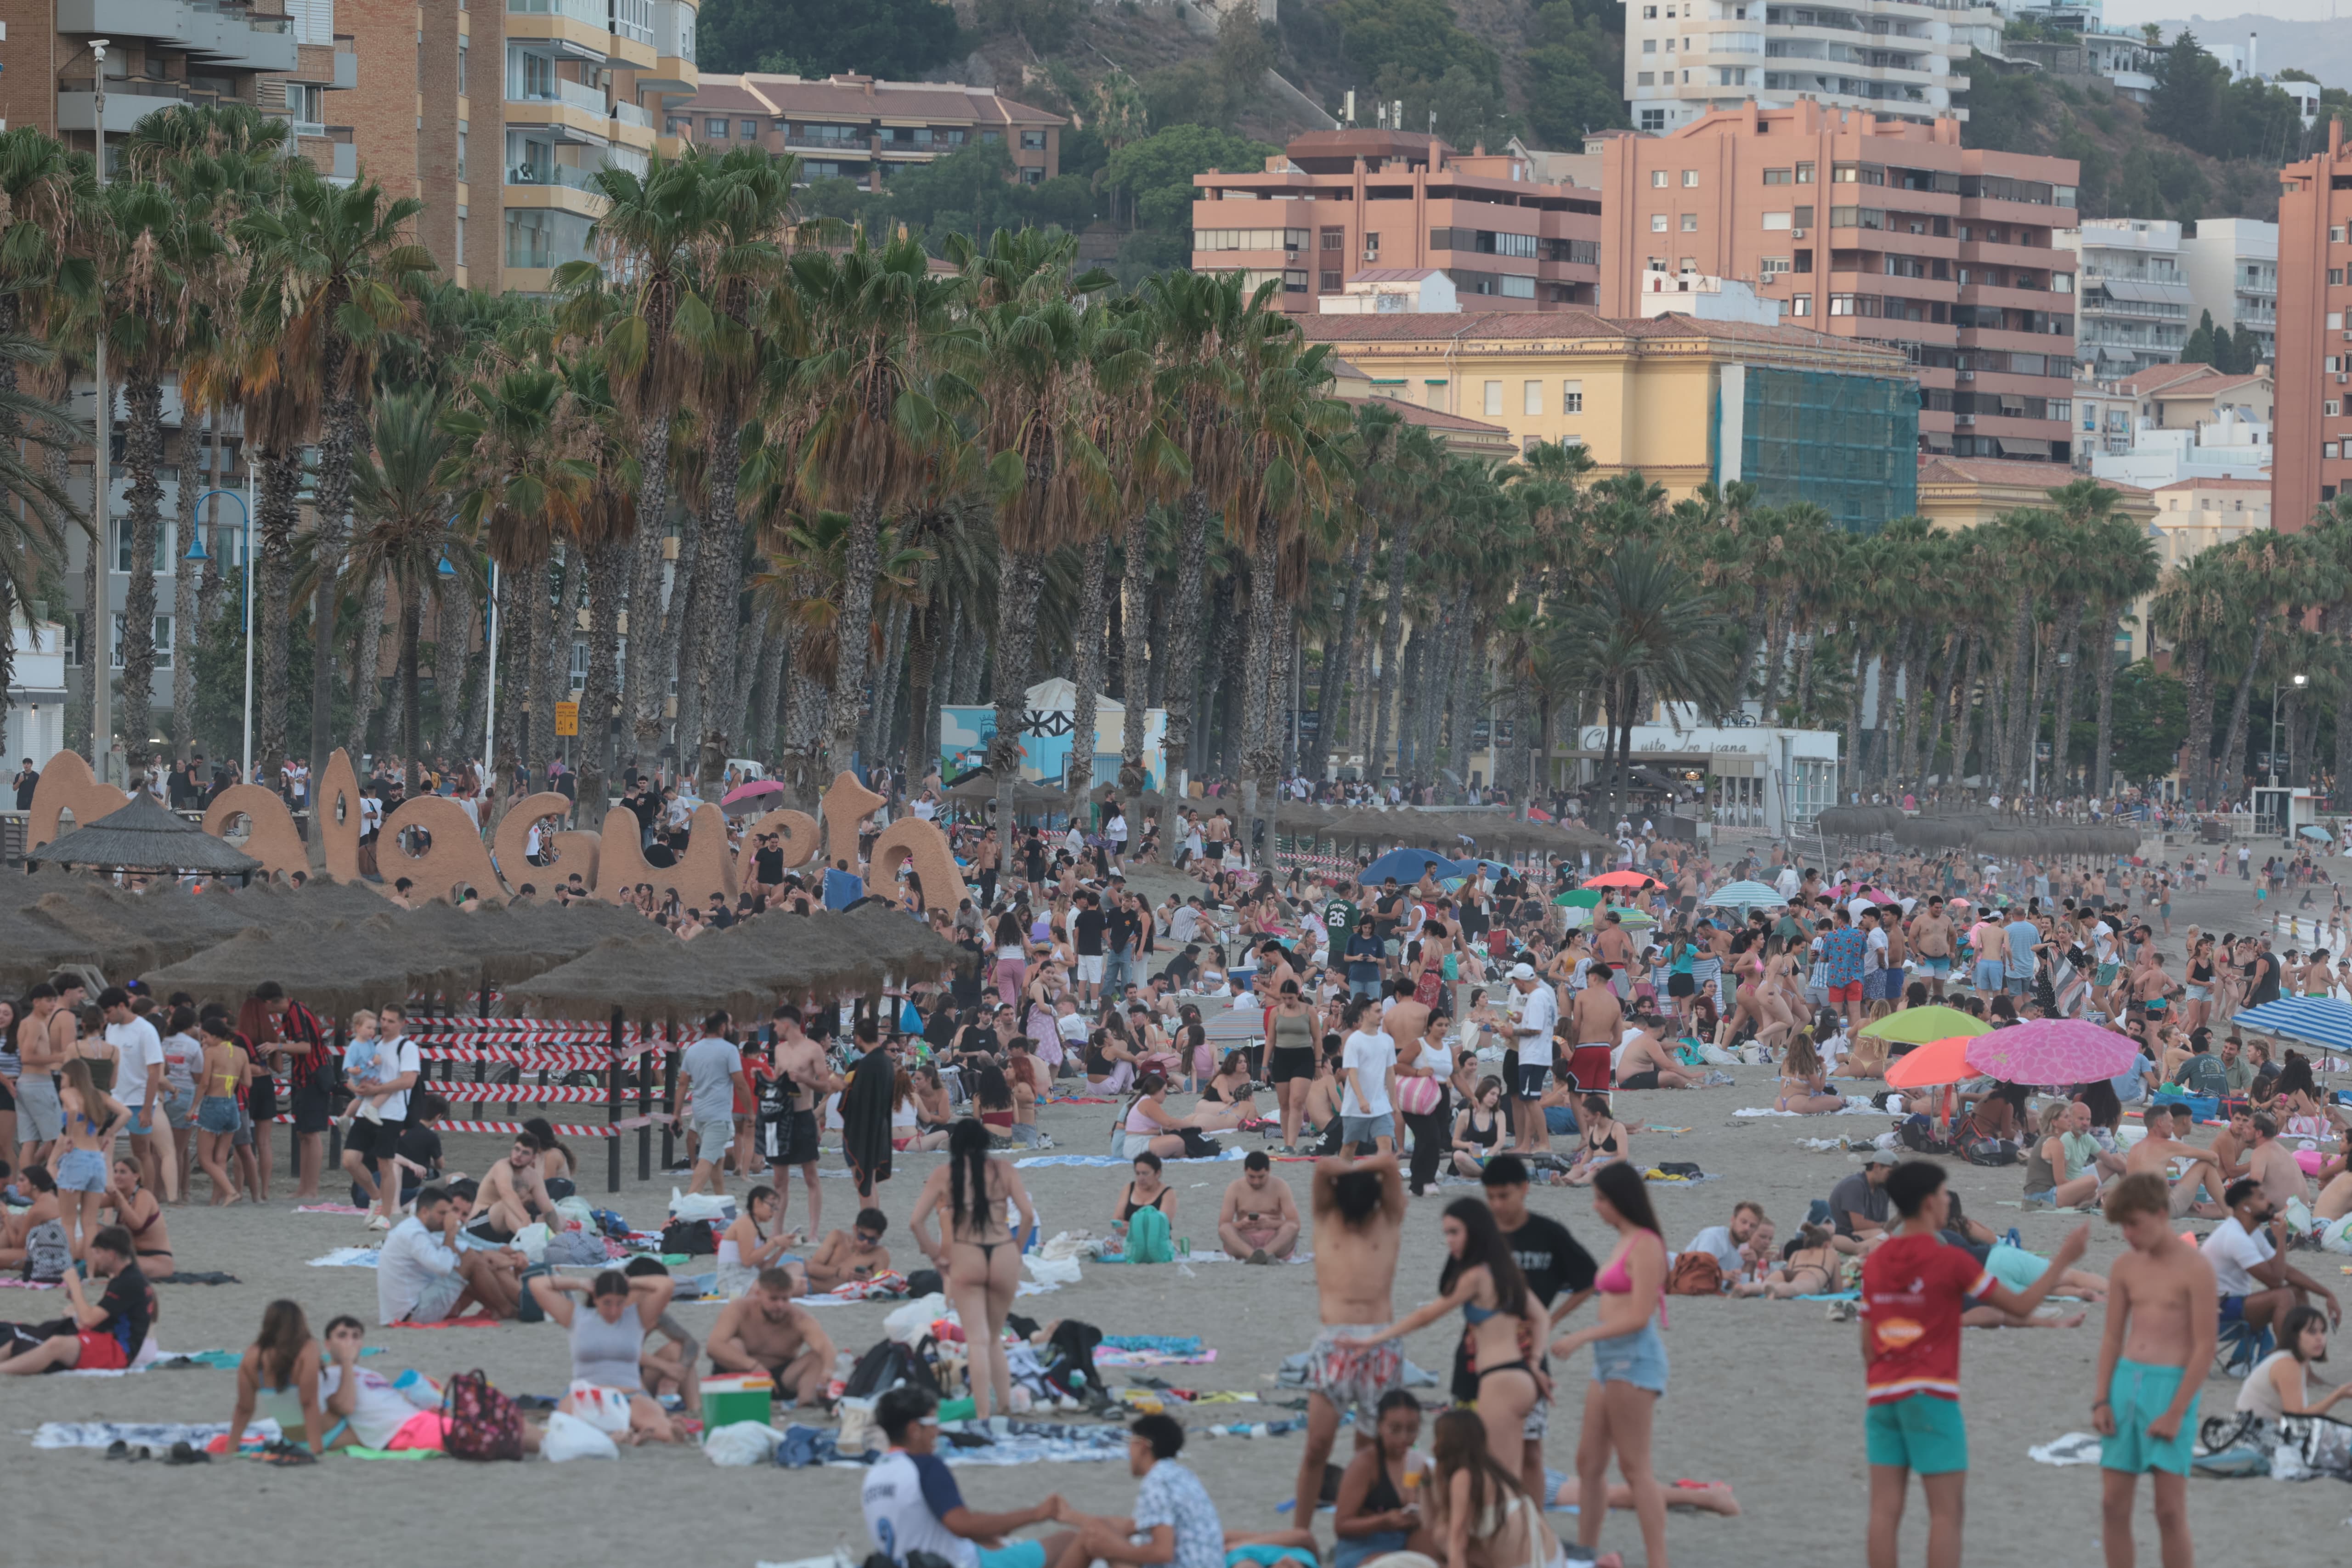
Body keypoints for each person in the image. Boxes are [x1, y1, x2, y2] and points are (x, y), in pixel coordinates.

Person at [1860, 1160, 2089, 1568]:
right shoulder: (1951, 1260)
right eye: (1945, 1193)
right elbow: (2020, 1304)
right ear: (1931, 1203)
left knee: (1884, 1511)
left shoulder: (1877, 1261)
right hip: (1931, 1392)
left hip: (1882, 1394)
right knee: (1946, 1513)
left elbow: (1868, 1341)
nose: (1949, 1200)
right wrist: (2063, 1260)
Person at [1338, 1198, 1552, 1473]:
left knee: (1496, 1478)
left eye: (1454, 1232)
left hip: (1499, 1381)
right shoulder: (1506, 1270)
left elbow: (1427, 1316)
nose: (1449, 1241)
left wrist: (1372, 1340)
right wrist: (1534, 1362)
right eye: (1446, 1233)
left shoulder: (1475, 1276)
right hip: (1521, 1378)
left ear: (1474, 1231)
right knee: (1509, 1476)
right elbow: (1541, 1318)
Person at [1541, 1161, 1670, 1568]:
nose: (1595, 1207)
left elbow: (1639, 1315)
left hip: (1633, 1359)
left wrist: (1581, 1336)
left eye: (1600, 1199)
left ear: (1619, 1200)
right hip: (1607, 1361)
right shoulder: (1624, 1238)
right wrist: (1556, 1320)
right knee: (1589, 1462)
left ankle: (1658, 1560)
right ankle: (1587, 1551)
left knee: (1635, 1466)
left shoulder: (1646, 1243)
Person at [2092, 1172, 2216, 1568]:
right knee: (2113, 1504)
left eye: (2134, 1223)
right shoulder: (2126, 1266)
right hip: (2126, 1382)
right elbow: (2112, 1337)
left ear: (2161, 1214)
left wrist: (2177, 1411)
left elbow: (2205, 1346)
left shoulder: (2196, 1268)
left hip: (2171, 1386)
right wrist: (2100, 1399)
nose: (2127, 1233)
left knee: (2168, 1510)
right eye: (2122, 1225)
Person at [1293, 1149, 1409, 1529]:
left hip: (1381, 1343)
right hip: (1335, 1342)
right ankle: (1301, 1531)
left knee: (1369, 1452)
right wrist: (1356, 1176)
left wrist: (1357, 1176)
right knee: (1315, 1448)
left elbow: (1391, 1164)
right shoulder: (1327, 1220)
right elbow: (1324, 1166)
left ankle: (1357, 1526)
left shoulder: (1388, 1219)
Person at [1479, 1152, 1600, 1498]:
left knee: (1531, 1450)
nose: (1498, 1205)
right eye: (1491, 1198)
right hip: (1482, 1353)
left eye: (1505, 1196)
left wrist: (1550, 1319)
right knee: (1484, 1448)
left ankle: (1533, 1528)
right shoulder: (1482, 1237)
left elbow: (1590, 1280)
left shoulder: (1547, 1233)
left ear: (1524, 1189)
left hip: (1531, 1351)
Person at [911, 1119, 1039, 1423]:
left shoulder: (945, 1174)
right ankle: (1005, 1406)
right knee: (994, 1337)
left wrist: (936, 1258)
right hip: (1003, 1251)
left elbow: (916, 1222)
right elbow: (1028, 1216)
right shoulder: (1004, 1169)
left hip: (968, 1253)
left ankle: (983, 1413)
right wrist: (1017, 1251)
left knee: (977, 1340)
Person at [862, 1384, 1072, 1568]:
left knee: (993, 1543)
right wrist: (1037, 1514)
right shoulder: (926, 1467)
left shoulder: (874, 1474)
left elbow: (926, 1525)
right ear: (915, 1429)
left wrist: (994, 1531)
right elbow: (963, 1525)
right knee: (1070, 1542)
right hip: (954, 1564)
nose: (938, 1430)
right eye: (933, 1422)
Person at [529, 1269, 682, 1443]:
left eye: (620, 1303)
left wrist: (628, 1282)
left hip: (630, 1394)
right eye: (607, 1303)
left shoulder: (637, 1317)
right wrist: (580, 1283)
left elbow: (666, 1285)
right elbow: (537, 1284)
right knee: (565, 1429)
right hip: (587, 1393)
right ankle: (626, 1434)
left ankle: (630, 1433)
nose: (614, 1311)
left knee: (664, 1433)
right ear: (595, 1299)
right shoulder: (577, 1317)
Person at [1423, 1407, 1573, 1568]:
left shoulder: (1465, 1477)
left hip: (1532, 1564)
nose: (1433, 1447)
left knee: (1444, 1535)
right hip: (1552, 1557)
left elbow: (1456, 1542)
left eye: (1438, 1439)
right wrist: (1426, 1485)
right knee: (1444, 1531)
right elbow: (1433, 1523)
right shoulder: (1491, 1470)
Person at [0, 1225, 152, 1374]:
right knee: (24, 1341)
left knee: (56, 1344)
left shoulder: (128, 1282)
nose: (95, 1259)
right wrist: (75, 1299)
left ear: (111, 1254)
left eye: (98, 1253)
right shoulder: (129, 1278)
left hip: (119, 1351)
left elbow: (88, 1320)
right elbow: (99, 1316)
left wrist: (75, 1285)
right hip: (108, 1340)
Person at [2202, 1177, 2342, 1336]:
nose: (2269, 1201)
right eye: (2261, 1198)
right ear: (2246, 1208)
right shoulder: (2235, 1236)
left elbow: (2286, 1272)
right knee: (2282, 1296)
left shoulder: (2251, 1232)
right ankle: (2287, 1353)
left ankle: (2301, 1348)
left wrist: (2327, 1294)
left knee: (2297, 1291)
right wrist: (2281, 1240)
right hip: (2211, 1311)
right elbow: (2274, 1281)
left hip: (2229, 1303)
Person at [376, 1186, 526, 1325]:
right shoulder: (415, 1234)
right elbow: (444, 1267)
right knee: (471, 1259)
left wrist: (505, 1258)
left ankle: (505, 1307)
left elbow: (469, 1248)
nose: (449, 1219)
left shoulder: (419, 1229)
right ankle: (508, 1308)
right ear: (424, 1212)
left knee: (472, 1261)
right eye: (443, 1213)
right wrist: (450, 1235)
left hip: (406, 1309)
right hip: (411, 1313)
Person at [707, 1267, 837, 1405]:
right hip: (739, 1378)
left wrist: (828, 1371)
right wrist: (754, 1366)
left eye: (785, 1299)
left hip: (779, 1381)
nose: (780, 1305)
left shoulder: (799, 1319)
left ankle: (806, 1404)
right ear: (758, 1294)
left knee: (817, 1357)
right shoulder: (740, 1309)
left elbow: (825, 1346)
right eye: (773, 1299)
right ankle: (746, 1400)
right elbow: (713, 1346)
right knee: (734, 1344)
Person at [764, 1003, 837, 1242]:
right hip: (780, 1115)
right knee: (779, 1179)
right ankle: (777, 1230)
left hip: (803, 1115)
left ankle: (814, 1232)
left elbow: (827, 1086)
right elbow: (776, 1079)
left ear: (786, 1024)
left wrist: (804, 1078)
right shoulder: (779, 1050)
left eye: (775, 1024)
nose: (774, 1029)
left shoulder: (814, 1049)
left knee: (810, 1175)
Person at [2234, 1304, 2352, 1442]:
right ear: (2295, 1336)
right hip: (2255, 1436)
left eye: (2323, 1332)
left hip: (2262, 1431)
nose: (2320, 1338)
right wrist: (2337, 1396)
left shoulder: (2298, 1362)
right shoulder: (2287, 1365)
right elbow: (2298, 1419)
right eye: (2312, 1332)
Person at [226, 1299, 328, 1454]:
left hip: (289, 1436)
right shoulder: (308, 1349)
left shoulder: (252, 1355)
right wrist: (317, 1449)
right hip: (325, 1433)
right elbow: (308, 1403)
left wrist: (231, 1449)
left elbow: (244, 1408)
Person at [51, 1057, 128, 1260]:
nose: (62, 1081)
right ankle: (91, 1272)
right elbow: (126, 1113)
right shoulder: (99, 1096)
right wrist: (110, 1132)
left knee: (68, 1221)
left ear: (71, 1076)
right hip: (97, 1159)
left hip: (77, 1158)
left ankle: (68, 1267)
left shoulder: (68, 1093)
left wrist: (68, 1135)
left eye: (64, 1077)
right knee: (90, 1223)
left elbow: (74, 1109)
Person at [100, 988, 172, 1205]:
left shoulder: (145, 1030)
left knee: (141, 1151)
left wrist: (147, 1108)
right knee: (104, 1148)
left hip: (139, 1099)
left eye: (109, 1011)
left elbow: (154, 1073)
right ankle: (114, 1195)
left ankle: (146, 1198)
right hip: (114, 1098)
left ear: (122, 1006)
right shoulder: (111, 1028)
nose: (106, 1017)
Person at [677, 1011, 749, 1196]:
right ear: (723, 1027)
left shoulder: (693, 1049)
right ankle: (689, 1201)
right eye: (731, 1024)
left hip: (700, 1113)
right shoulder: (729, 1050)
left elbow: (683, 1083)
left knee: (717, 1160)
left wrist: (676, 1114)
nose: (733, 1028)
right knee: (708, 1159)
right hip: (719, 1115)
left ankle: (722, 1201)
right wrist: (751, 1111)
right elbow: (740, 1084)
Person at [1217, 1149, 1300, 1262]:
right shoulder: (1235, 1188)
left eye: (1261, 1177)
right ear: (1245, 1171)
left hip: (1274, 1240)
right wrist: (1242, 1224)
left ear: (1269, 1171)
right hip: (1246, 1240)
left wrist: (1272, 1223)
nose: (1256, 1182)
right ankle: (1253, 1256)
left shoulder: (1280, 1186)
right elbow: (1223, 1224)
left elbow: (1295, 1223)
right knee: (1225, 1230)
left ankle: (1264, 1254)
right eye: (1252, 1177)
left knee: (1291, 1228)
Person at [1337, 998, 1396, 1157]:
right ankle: (1344, 1179)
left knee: (1386, 1143)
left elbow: (1390, 1072)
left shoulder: (1387, 1041)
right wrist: (1362, 1099)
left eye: (1381, 1011)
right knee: (1350, 1146)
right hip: (1356, 1106)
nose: (1382, 1015)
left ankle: (1382, 1180)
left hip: (1381, 1105)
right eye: (1377, 1011)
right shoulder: (1354, 1041)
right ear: (1365, 1014)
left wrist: (1394, 1101)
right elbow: (1352, 1073)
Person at [469, 1135, 556, 1242]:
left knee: (551, 1220)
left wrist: (560, 1232)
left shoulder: (534, 1177)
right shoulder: (502, 1166)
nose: (519, 1155)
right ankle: (531, 1241)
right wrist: (526, 1220)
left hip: (511, 1226)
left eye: (525, 1153)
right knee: (505, 1206)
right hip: (478, 1224)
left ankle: (554, 1243)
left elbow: (548, 1209)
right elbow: (507, 1194)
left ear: (533, 1158)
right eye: (517, 1149)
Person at [102, 1156, 173, 1281]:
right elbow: (91, 1204)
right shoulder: (120, 1195)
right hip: (133, 1256)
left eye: (123, 1172)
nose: (117, 1176)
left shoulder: (144, 1196)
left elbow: (137, 1224)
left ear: (136, 1176)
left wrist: (120, 1199)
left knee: (115, 1265)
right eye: (115, 1172)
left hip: (157, 1260)